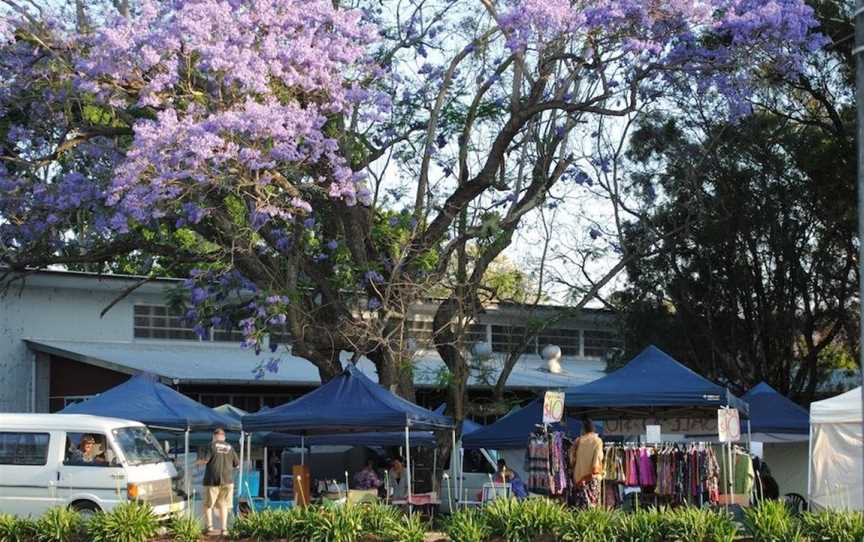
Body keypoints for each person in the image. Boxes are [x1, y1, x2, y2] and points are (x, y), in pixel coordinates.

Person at [196, 428, 239, 536]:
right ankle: (224, 529)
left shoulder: (211, 445)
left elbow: (205, 460)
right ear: (224, 437)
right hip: (228, 481)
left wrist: (197, 462)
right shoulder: (230, 447)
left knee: (208, 504)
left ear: (214, 437)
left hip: (212, 480)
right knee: (223, 505)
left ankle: (210, 527)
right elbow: (237, 465)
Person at [569, 418, 603, 508]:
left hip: (578, 480)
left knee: (578, 509)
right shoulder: (597, 441)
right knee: (593, 509)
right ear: (593, 428)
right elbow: (597, 460)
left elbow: (571, 460)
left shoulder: (577, 441)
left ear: (583, 429)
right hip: (592, 479)